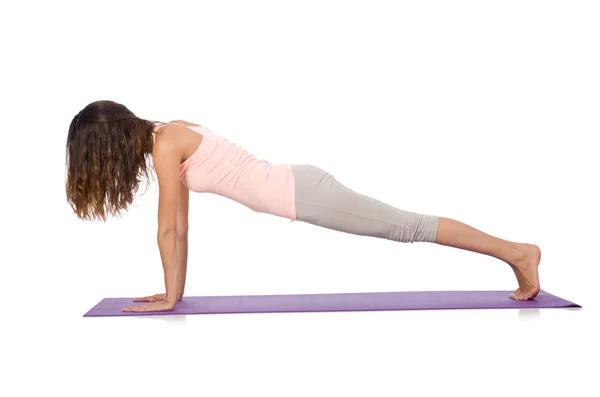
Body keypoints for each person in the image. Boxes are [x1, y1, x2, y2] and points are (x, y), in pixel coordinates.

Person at [65, 100, 541, 312]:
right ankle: (517, 254)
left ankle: (518, 253)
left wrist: (170, 297)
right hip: (301, 186)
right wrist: (174, 294)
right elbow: (181, 228)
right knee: (406, 226)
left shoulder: (167, 144)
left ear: (109, 145)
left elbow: (168, 230)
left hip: (305, 194)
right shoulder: (170, 134)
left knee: (408, 227)